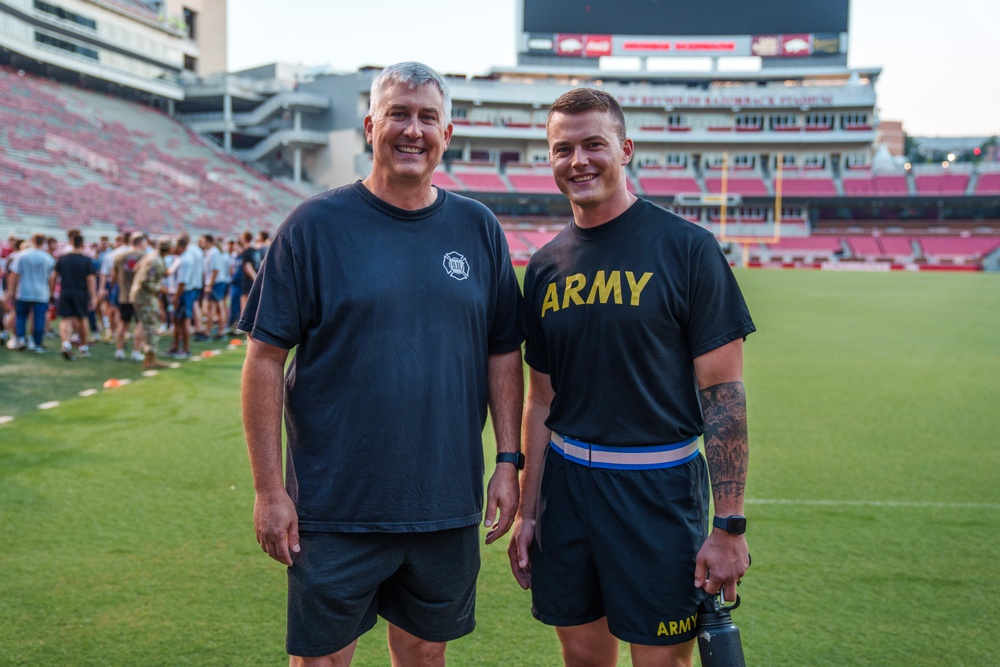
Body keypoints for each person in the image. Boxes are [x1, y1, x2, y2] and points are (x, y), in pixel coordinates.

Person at [239, 61, 525, 666]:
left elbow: (504, 349)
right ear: (371, 126)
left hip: (444, 502)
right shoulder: (314, 226)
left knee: (423, 656)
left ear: (449, 134)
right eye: (399, 114)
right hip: (334, 505)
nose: (413, 130)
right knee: (321, 661)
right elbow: (264, 357)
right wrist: (268, 489)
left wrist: (507, 460)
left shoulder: (479, 228)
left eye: (428, 117)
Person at [508, 88, 756, 667]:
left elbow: (724, 398)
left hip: (659, 488)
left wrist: (729, 526)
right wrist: (530, 510)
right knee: (582, 655)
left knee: (661, 660)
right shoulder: (545, 266)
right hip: (568, 487)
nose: (579, 161)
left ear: (625, 148)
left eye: (593, 145)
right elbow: (541, 401)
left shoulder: (688, 249)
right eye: (561, 148)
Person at [6, 233, 56, 352]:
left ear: (32, 240)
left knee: (21, 317)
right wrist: (51, 292)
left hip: (24, 291)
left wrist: (11, 290)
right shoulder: (48, 257)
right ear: (43, 242)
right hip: (41, 293)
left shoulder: (21, 255)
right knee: (39, 318)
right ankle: (37, 344)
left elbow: (14, 275)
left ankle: (21, 339)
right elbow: (51, 278)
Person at [53, 232, 96, 360]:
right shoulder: (87, 261)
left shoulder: (63, 259)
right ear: (82, 244)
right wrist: (93, 297)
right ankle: (83, 347)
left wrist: (51, 292)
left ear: (71, 243)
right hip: (81, 292)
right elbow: (91, 281)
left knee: (66, 318)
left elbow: (53, 277)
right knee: (82, 318)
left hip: (66, 291)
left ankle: (66, 343)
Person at [129, 237, 172, 370]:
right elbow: (146, 281)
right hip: (144, 297)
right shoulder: (155, 260)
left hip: (142, 296)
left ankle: (150, 357)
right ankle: (150, 358)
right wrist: (160, 288)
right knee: (151, 327)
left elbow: (137, 268)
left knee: (148, 325)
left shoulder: (151, 256)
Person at [111, 232, 148, 361]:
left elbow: (114, 275)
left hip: (124, 294)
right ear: (141, 242)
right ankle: (136, 351)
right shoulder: (145, 257)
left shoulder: (119, 256)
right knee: (140, 323)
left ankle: (119, 350)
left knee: (123, 322)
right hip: (139, 295)